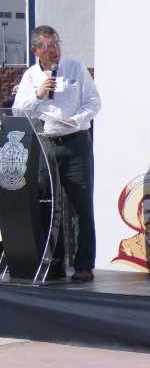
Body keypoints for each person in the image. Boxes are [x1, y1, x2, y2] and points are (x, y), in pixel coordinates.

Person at [12, 25, 102, 281]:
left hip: (75, 143)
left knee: (81, 205)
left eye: (56, 44)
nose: (54, 51)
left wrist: (77, 119)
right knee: (49, 205)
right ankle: (55, 262)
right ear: (36, 50)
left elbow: (94, 102)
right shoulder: (30, 77)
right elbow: (19, 112)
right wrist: (39, 95)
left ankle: (84, 265)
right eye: (48, 47)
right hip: (44, 143)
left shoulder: (75, 68)